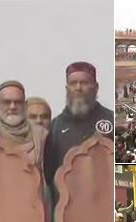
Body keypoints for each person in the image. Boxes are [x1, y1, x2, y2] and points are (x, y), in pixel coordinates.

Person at [44, 61, 113, 190]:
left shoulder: (110, 120)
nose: (78, 88)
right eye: (73, 83)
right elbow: (49, 175)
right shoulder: (55, 127)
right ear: (67, 88)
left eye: (84, 83)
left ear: (96, 87)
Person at [0, 81, 48, 166]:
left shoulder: (41, 136)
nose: (12, 107)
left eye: (18, 102)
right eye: (6, 102)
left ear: (25, 105)